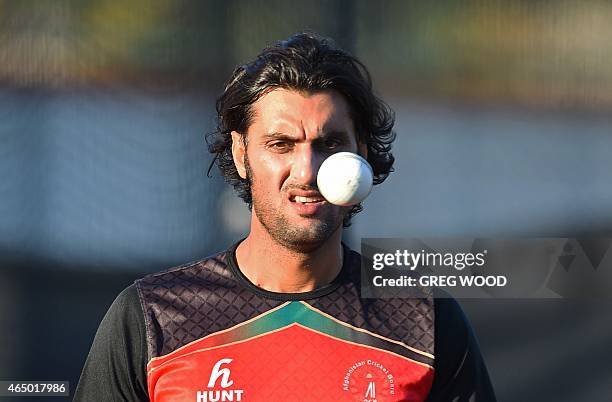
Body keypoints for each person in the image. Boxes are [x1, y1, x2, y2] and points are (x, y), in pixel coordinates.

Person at [75, 32, 496, 402]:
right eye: (281, 144)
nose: (307, 171)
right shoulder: (152, 320)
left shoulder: (424, 322)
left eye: (330, 144)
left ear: (362, 154)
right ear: (242, 155)